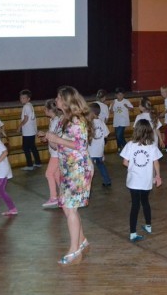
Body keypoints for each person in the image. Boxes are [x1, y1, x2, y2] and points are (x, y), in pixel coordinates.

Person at [40, 86, 94, 265]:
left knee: (70, 208)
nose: (55, 99)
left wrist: (56, 139)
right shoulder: (64, 119)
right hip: (67, 168)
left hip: (78, 169)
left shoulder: (77, 120)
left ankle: (74, 250)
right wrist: (52, 140)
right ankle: (82, 240)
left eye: (58, 97)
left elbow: (80, 145)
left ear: (66, 101)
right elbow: (61, 145)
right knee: (66, 206)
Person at [120, 120, 163, 242]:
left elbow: (125, 162)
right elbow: (156, 162)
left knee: (135, 205)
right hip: (146, 181)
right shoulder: (152, 146)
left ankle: (133, 233)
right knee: (145, 202)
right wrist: (158, 176)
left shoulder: (130, 145)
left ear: (136, 131)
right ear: (149, 131)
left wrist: (133, 166)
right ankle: (148, 226)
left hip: (133, 181)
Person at [40, 99, 62, 208]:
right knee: (57, 175)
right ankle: (63, 196)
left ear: (49, 110)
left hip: (56, 153)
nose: (44, 110)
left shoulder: (56, 121)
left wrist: (45, 135)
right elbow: (51, 136)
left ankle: (54, 198)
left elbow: (53, 136)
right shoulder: (53, 120)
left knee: (49, 174)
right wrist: (45, 137)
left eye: (45, 109)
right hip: (55, 152)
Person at [89, 102, 112, 187]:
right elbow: (106, 135)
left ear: (92, 113)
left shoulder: (90, 124)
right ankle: (107, 181)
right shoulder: (102, 122)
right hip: (99, 150)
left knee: (89, 167)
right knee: (101, 165)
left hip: (91, 150)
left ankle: (88, 183)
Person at [18, 89, 41, 171]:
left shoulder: (26, 106)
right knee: (33, 147)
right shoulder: (30, 105)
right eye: (21, 98)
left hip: (28, 132)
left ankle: (30, 165)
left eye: (24, 98)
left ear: (28, 99)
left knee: (26, 148)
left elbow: (26, 118)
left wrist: (20, 126)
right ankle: (38, 162)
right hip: (31, 131)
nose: (22, 99)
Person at [111, 88, 133, 152]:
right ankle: (119, 148)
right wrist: (112, 105)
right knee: (118, 136)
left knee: (119, 135)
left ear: (124, 95)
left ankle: (127, 149)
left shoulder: (126, 101)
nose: (120, 96)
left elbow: (132, 109)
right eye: (119, 95)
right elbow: (111, 112)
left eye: (122, 94)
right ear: (116, 95)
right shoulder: (114, 101)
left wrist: (127, 107)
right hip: (116, 121)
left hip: (123, 121)